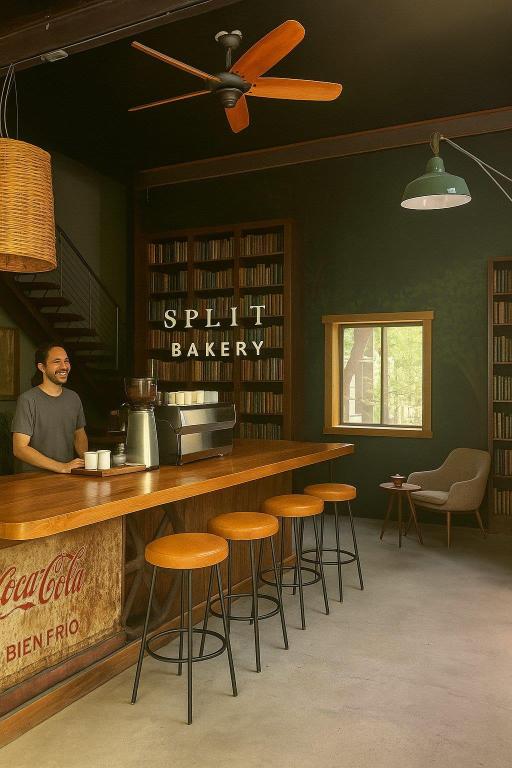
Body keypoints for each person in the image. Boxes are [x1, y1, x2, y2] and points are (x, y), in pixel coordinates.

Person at [12, 343, 87, 473]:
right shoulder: (28, 400)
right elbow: (20, 448)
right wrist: (61, 467)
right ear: (42, 367)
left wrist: (87, 461)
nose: (64, 366)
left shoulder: (73, 398)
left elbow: (79, 435)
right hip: (31, 481)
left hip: (65, 479)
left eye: (66, 361)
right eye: (57, 362)